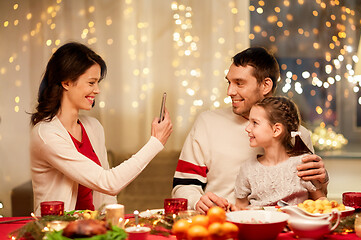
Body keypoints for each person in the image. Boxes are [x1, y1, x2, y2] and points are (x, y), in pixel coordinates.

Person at [172, 47, 328, 213]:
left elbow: (314, 198)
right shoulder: (207, 123)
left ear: (266, 85)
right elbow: (182, 186)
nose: (230, 92)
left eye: (239, 83)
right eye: (229, 82)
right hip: (222, 226)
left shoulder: (298, 133)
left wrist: (322, 180)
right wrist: (197, 201)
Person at [30, 42, 173, 215]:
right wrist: (155, 143)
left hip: (92, 227)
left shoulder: (93, 127)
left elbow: (105, 194)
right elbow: (109, 183)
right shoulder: (46, 134)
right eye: (91, 82)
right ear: (66, 82)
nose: (97, 90)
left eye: (98, 82)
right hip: (57, 230)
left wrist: (111, 225)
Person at [234, 96, 326, 210]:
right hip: (260, 225)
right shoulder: (248, 168)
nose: (247, 128)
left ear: (276, 130)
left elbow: (320, 200)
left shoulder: (303, 164)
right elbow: (240, 207)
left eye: (255, 123)